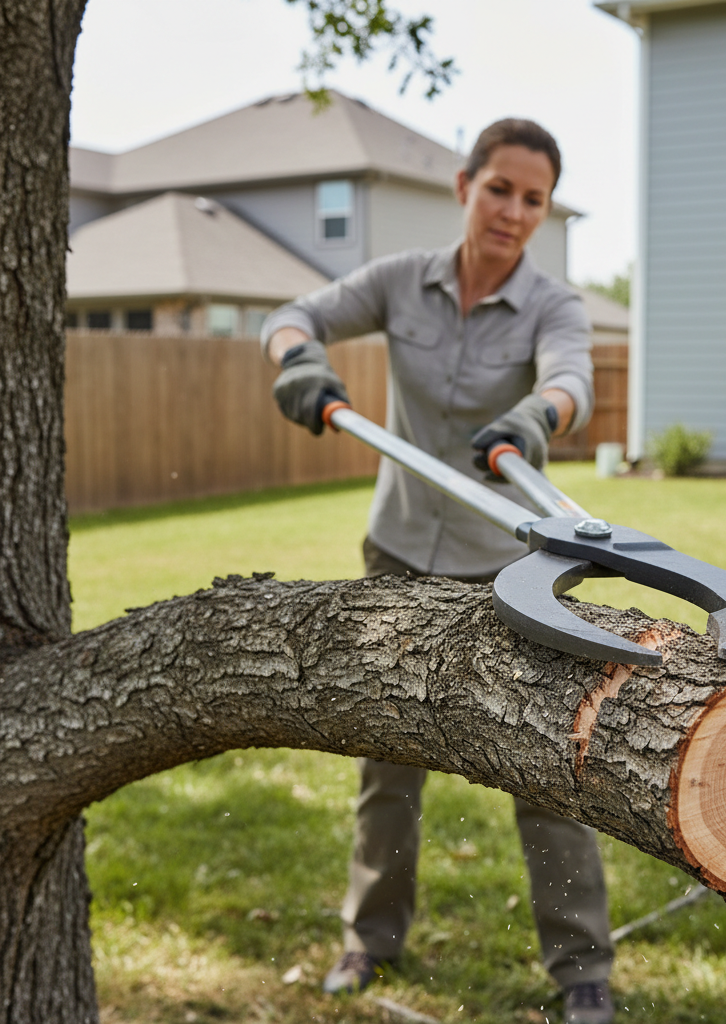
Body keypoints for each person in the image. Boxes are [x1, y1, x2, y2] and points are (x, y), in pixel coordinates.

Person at [261, 118, 615, 1024]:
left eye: (533, 199)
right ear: (465, 187)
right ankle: (368, 942)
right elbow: (292, 315)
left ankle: (582, 970)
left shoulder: (553, 304)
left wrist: (537, 416)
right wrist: (299, 359)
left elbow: (571, 378)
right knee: (389, 760)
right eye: (500, 188)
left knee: (544, 760)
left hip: (509, 565)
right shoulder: (398, 282)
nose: (514, 211)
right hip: (399, 553)